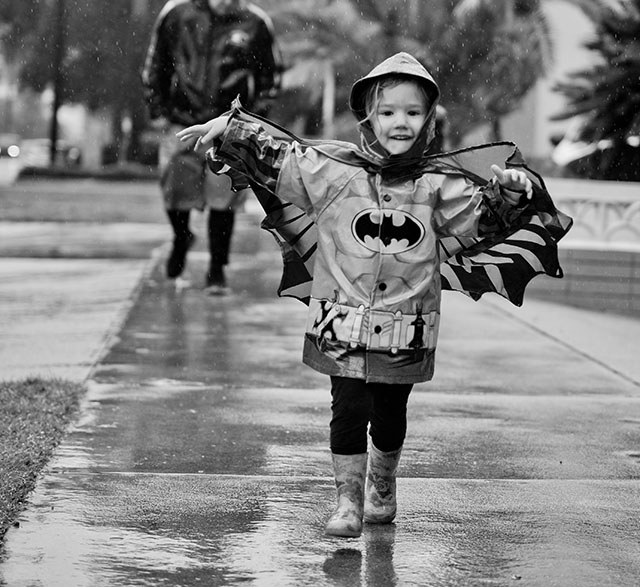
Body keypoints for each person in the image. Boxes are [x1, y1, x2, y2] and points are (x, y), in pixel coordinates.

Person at [176, 52, 572, 537]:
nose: (398, 122)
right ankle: (347, 502)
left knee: (389, 415)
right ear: (369, 118)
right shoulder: (334, 172)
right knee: (346, 410)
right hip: (340, 324)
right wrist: (229, 129)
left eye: (411, 112)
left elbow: (481, 222)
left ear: (428, 121)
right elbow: (280, 157)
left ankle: (382, 484)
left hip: (406, 328)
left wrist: (510, 191)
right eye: (387, 112)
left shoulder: (438, 187)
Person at [142, 0, 281, 291]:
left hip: (228, 124)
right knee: (175, 192)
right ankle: (181, 237)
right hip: (181, 120)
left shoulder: (254, 23)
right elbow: (156, 64)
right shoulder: (178, 13)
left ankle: (217, 270)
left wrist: (252, 118)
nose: (229, 0)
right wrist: (157, 110)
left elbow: (270, 77)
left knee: (224, 197)